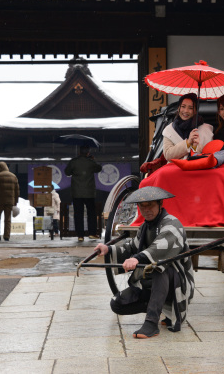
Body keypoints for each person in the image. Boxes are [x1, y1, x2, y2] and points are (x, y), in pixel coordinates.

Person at [94, 186, 194, 339]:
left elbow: (159, 248)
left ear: (160, 204)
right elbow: (131, 247)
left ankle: (152, 322)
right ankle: (158, 306)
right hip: (149, 282)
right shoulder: (144, 227)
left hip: (176, 283)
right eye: (142, 206)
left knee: (159, 267)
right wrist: (108, 249)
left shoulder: (172, 224)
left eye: (151, 205)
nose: (147, 210)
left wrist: (137, 259)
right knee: (117, 304)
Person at [65, 145, 102, 242]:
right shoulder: (90, 162)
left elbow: (67, 172)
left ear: (79, 152)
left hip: (76, 193)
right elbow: (99, 168)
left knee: (78, 214)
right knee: (91, 213)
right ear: (88, 153)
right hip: (89, 193)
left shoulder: (74, 162)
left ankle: (80, 236)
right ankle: (92, 233)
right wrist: (93, 160)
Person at [162, 93, 213, 161]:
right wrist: (188, 143)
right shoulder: (169, 130)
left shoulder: (205, 129)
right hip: (175, 168)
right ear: (178, 108)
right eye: (183, 106)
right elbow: (168, 155)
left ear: (195, 111)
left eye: (190, 108)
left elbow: (209, 154)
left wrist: (195, 146)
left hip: (199, 168)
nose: (186, 111)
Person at [0, 161, 20, 242]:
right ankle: (6, 236)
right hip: (10, 201)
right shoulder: (13, 176)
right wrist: (15, 201)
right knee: (7, 219)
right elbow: (17, 191)